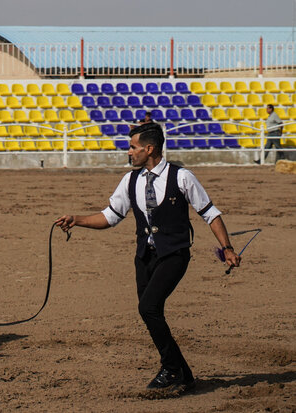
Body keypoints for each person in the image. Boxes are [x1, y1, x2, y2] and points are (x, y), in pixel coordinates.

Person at [55, 122, 241, 392]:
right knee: (151, 311)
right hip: (144, 256)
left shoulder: (182, 177)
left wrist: (227, 248)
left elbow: (209, 213)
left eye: (133, 147)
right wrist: (77, 219)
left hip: (174, 254)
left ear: (149, 149)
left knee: (148, 308)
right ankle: (184, 374)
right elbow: (110, 216)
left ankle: (170, 369)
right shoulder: (130, 180)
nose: (129, 152)